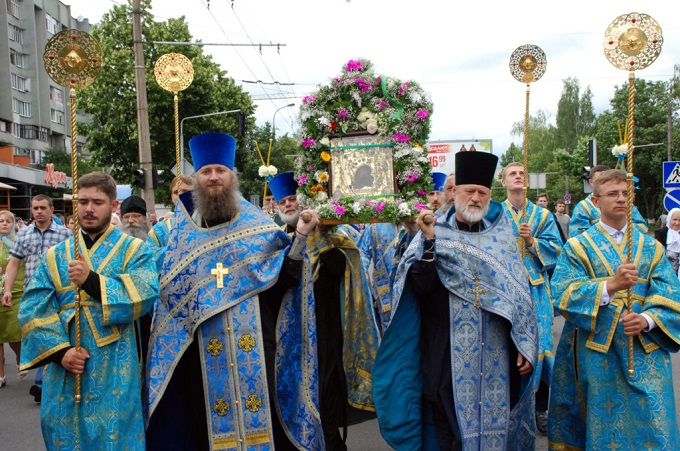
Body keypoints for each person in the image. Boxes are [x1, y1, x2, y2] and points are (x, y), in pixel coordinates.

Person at [145, 133, 324, 450]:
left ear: (232, 175)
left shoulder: (257, 224)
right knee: (205, 431)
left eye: (220, 170)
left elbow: (283, 280)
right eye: (206, 171)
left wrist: (299, 239)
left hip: (257, 344)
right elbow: (171, 297)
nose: (213, 177)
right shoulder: (181, 233)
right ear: (197, 179)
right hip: (201, 356)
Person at [373, 151, 538, 450]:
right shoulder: (435, 232)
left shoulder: (502, 238)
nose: (476, 198)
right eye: (469, 191)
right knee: (448, 431)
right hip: (446, 349)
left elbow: (519, 298)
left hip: (497, 353)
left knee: (497, 425)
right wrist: (429, 241)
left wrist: (523, 344)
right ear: (456, 193)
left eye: (482, 193)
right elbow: (420, 287)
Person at [18, 172, 159, 450]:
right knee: (62, 433)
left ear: (113, 206)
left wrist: (91, 281)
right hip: (66, 367)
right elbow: (33, 308)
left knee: (114, 436)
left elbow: (145, 293)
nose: (89, 209)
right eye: (82, 202)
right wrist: (61, 353)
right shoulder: (55, 256)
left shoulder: (135, 250)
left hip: (116, 365)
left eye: (97, 201)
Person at [549, 169, 680, 450]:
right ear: (596, 202)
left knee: (653, 420)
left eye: (626, 194)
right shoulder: (577, 247)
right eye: (612, 194)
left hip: (645, 350)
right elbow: (563, 294)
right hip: (597, 353)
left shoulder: (651, 247)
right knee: (603, 423)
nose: (621, 199)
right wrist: (610, 286)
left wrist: (647, 319)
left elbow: (671, 292)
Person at [269, 171, 380, 450]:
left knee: (327, 390)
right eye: (282, 202)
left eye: (293, 198)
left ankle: (331, 443)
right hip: (289, 332)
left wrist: (322, 233)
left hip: (326, 329)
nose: (287, 205)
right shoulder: (275, 240)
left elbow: (338, 270)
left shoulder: (331, 236)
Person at [500, 163, 562, 434]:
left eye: (522, 174)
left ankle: (541, 408)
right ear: (503, 182)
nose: (518, 177)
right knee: (509, 348)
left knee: (541, 347)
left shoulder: (543, 215)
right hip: (505, 289)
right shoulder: (495, 213)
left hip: (536, 290)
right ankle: (510, 408)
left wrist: (532, 242)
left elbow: (557, 250)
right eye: (512, 173)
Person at [2, 194, 72, 402]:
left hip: (57, 293)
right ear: (31, 211)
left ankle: (42, 383)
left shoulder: (65, 234)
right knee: (38, 334)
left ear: (51, 210)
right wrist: (7, 289)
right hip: (32, 294)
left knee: (53, 333)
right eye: (35, 208)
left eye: (43, 207)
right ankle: (45, 379)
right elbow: (13, 263)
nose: (39, 211)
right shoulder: (24, 235)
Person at [570, 164, 647, 237]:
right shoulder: (583, 207)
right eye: (600, 180)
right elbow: (578, 232)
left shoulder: (625, 203)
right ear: (591, 182)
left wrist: (621, 229)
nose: (620, 199)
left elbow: (642, 226)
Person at [146, 175, 194, 272]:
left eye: (185, 191)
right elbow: (149, 258)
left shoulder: (206, 223)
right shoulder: (160, 229)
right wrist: (174, 248)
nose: (180, 196)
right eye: (176, 192)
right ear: (172, 197)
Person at [0, 211, 26, 387]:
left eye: (7, 221)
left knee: (15, 334)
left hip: (16, 291)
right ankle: (1, 374)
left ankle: (19, 356)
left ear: (14, 224)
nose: (3, 224)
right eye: (0, 221)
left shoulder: (20, 242)